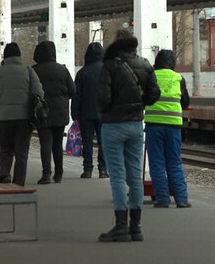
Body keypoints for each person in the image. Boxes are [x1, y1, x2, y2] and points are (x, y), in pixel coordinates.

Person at [97, 31, 160, 242]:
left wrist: (105, 110)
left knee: (117, 176)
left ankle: (121, 226)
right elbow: (154, 94)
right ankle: (136, 227)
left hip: (113, 126)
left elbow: (104, 97)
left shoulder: (110, 65)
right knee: (135, 176)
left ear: (116, 43)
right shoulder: (145, 64)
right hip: (135, 125)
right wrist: (139, 104)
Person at [0, 42, 43, 186]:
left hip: (4, 117)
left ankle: (5, 174)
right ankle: (19, 183)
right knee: (22, 152)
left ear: (5, 57)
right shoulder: (28, 71)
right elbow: (38, 93)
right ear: (19, 55)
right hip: (24, 118)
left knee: (5, 148)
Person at [145, 49, 191, 208]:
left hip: (154, 125)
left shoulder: (151, 76)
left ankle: (163, 200)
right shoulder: (178, 78)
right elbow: (185, 102)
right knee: (174, 161)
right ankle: (181, 199)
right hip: (173, 125)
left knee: (157, 163)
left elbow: (145, 98)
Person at [31, 40, 75, 184]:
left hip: (42, 112)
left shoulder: (34, 70)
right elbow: (72, 90)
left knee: (45, 143)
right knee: (57, 143)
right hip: (60, 112)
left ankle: (46, 174)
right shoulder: (63, 70)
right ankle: (59, 174)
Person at [71, 42, 107, 178]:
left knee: (87, 142)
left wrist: (75, 114)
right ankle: (103, 169)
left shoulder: (82, 73)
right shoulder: (107, 71)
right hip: (104, 113)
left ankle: (87, 169)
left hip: (86, 113)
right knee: (103, 142)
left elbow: (77, 95)